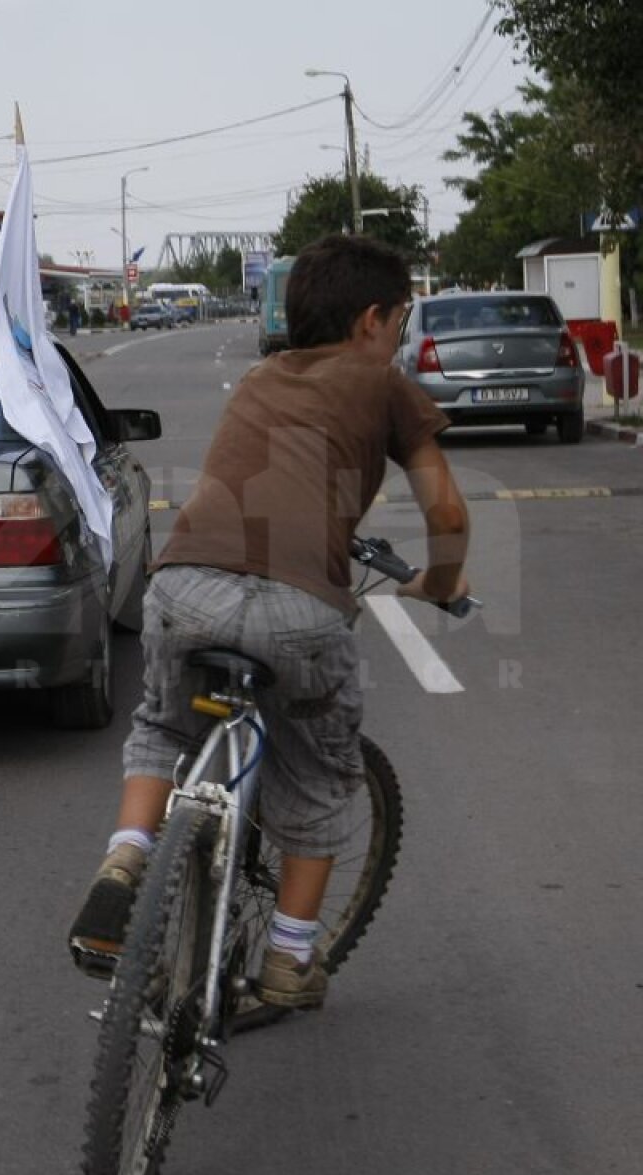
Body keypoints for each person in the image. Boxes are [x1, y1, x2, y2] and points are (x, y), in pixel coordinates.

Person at [69, 234, 470, 1010]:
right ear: (371, 321)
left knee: (161, 723)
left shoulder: (259, 375)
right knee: (320, 774)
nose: (397, 334)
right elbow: (447, 511)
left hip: (185, 585)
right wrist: (434, 583)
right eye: (401, 318)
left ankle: (124, 861)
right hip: (298, 608)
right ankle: (288, 959)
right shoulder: (384, 384)